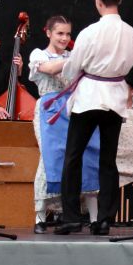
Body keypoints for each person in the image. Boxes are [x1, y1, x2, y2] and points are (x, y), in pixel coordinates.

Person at [53, 0, 133, 235]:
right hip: (115, 96)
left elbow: (72, 66)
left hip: (89, 97)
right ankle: (104, 219)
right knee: (108, 160)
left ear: (98, 1)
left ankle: (71, 217)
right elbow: (131, 61)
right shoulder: (132, 34)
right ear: (119, 1)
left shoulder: (90, 32)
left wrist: (76, 73)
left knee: (73, 156)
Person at [29, 15, 99, 233]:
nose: (64, 38)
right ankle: (40, 217)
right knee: (49, 159)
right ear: (48, 32)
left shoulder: (71, 55)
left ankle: (94, 218)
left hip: (74, 109)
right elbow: (50, 69)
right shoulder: (39, 54)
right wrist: (79, 58)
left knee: (84, 158)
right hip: (50, 110)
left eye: (68, 34)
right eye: (60, 33)